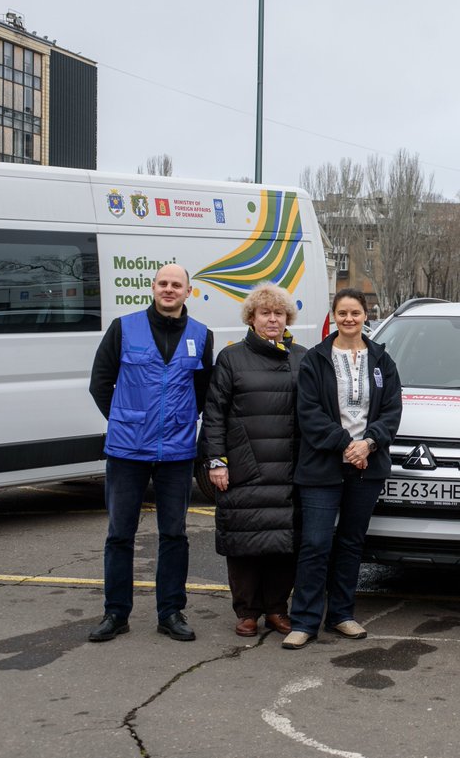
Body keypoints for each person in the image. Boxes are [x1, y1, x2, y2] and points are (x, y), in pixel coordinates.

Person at [87, 263, 214, 642]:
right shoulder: (124, 328)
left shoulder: (201, 335)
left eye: (177, 285)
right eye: (163, 283)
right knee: (120, 534)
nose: (169, 289)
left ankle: (170, 612)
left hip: (176, 452)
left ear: (188, 292)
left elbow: (204, 391)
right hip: (127, 450)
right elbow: (100, 382)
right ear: (153, 287)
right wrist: (127, 420)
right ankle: (116, 613)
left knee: (174, 534)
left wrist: (176, 421)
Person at [283, 289, 401, 649]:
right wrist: (347, 445)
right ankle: (303, 621)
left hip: (368, 464)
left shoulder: (382, 360)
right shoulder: (315, 360)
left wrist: (369, 442)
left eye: (356, 312)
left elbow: (392, 411)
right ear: (334, 316)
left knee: (351, 544)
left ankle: (342, 615)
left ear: (367, 315)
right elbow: (309, 412)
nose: (349, 319)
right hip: (322, 465)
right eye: (342, 313)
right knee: (315, 543)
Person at [199, 283, 306, 637]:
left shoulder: (302, 358)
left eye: (278, 313)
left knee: (283, 545)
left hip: (289, 469)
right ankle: (247, 612)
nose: (272, 319)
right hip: (245, 468)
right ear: (252, 317)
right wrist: (217, 461)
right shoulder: (231, 358)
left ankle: (277, 609)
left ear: (286, 317)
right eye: (265, 313)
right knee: (243, 543)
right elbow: (214, 414)